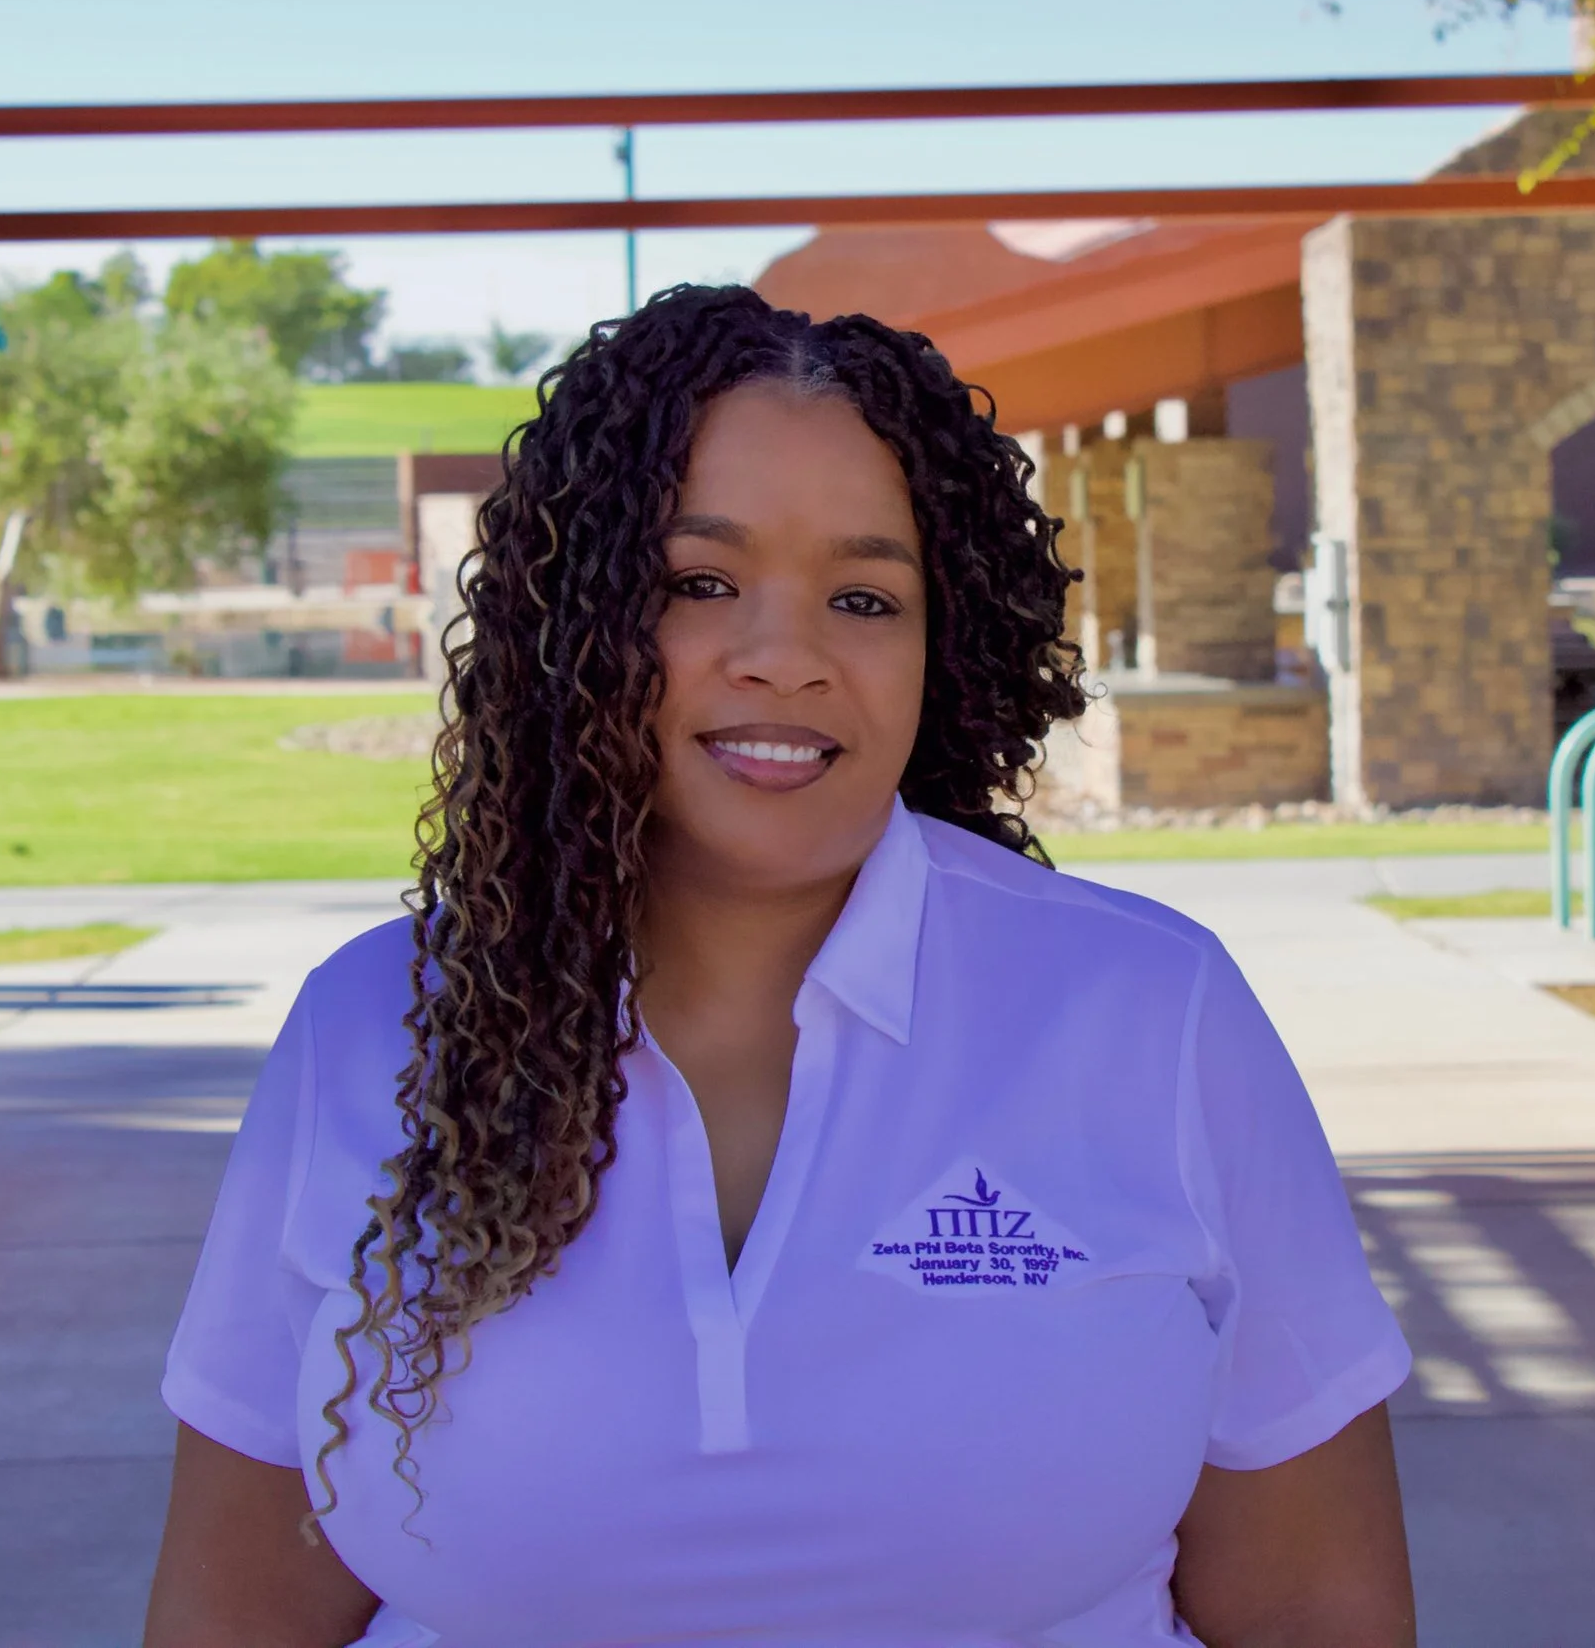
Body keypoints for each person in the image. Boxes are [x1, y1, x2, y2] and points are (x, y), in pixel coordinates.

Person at [143, 285, 1415, 1648]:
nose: (787, 659)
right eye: (700, 583)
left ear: (945, 644)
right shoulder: (376, 1027)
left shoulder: (1153, 1013)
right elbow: (241, 1607)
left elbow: (1311, 1602)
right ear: (573, 626)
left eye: (865, 596)